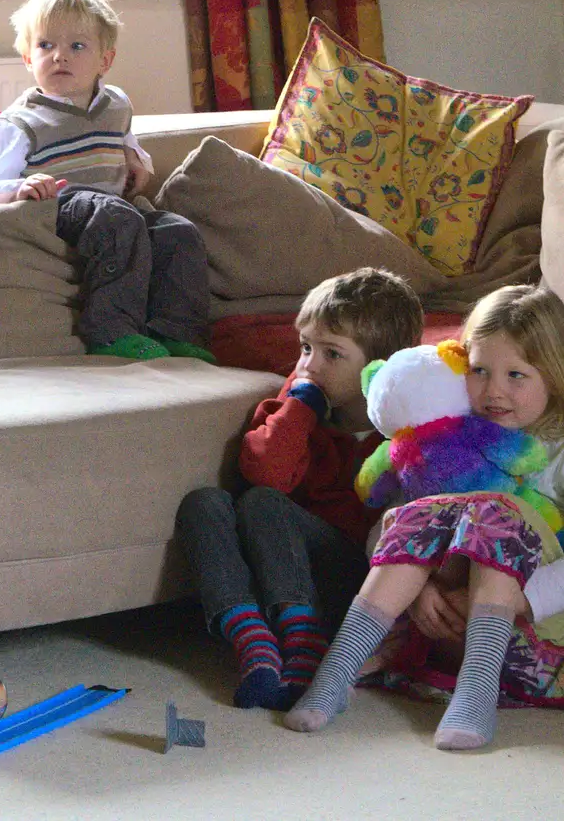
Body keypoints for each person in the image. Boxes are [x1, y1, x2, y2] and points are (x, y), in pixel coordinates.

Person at [285, 284, 564, 750]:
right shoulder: (459, 431)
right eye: (479, 371)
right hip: (451, 625)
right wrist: (424, 593)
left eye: (516, 375)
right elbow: (391, 523)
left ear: (557, 375)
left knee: (492, 508)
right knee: (421, 508)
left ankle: (476, 692)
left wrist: (521, 599)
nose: (493, 391)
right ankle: (337, 670)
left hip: (545, 634)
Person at [176, 268, 424, 710]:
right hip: (276, 561)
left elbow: (269, 490)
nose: (309, 365)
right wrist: (301, 409)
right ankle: (252, 640)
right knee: (202, 503)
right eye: (306, 348)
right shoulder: (296, 404)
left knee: (264, 503)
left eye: (332, 354)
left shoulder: (400, 433)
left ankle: (304, 636)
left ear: (379, 367)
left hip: (347, 576)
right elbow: (266, 469)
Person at [0, 0, 214, 362]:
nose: (59, 56)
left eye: (77, 45)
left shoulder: (116, 104)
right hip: (61, 209)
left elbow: (127, 144)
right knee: (117, 216)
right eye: (45, 45)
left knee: (177, 231)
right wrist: (19, 189)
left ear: (106, 59)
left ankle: (177, 331)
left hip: (115, 211)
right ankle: (111, 330)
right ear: (28, 57)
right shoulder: (18, 124)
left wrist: (139, 162)